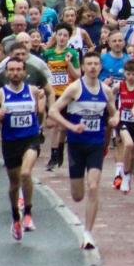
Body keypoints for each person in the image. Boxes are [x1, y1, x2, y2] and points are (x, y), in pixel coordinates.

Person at [48, 51, 119, 249]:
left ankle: (87, 233)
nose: (93, 67)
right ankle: (85, 224)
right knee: (78, 195)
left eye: (96, 64)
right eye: (89, 64)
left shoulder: (106, 91)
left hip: (96, 144)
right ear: (84, 67)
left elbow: (114, 113)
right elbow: (53, 111)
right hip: (76, 145)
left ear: (100, 67)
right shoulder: (74, 88)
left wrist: (114, 120)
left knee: (94, 186)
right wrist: (71, 127)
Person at [0, 56, 46, 240]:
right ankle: (15, 217)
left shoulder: (33, 91)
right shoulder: (0, 94)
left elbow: (41, 112)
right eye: (11, 70)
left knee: (26, 174)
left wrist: (40, 126)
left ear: (24, 72)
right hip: (11, 141)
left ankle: (28, 213)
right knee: (14, 184)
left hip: (31, 139)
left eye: (18, 69)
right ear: (6, 73)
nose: (15, 73)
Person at [43, 23, 81, 170]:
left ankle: (56, 154)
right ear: (56, 35)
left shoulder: (72, 53)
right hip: (52, 94)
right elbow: (43, 71)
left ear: (69, 37)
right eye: (60, 34)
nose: (62, 38)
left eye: (65, 35)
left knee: (60, 126)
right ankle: (56, 152)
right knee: (53, 124)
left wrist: (68, 63)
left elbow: (78, 75)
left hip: (66, 94)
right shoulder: (48, 53)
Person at [113, 59, 134, 193]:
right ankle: (120, 175)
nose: (131, 77)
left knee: (133, 153)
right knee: (127, 145)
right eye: (128, 74)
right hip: (122, 121)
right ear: (124, 73)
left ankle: (127, 176)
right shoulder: (120, 85)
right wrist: (113, 113)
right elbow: (109, 96)